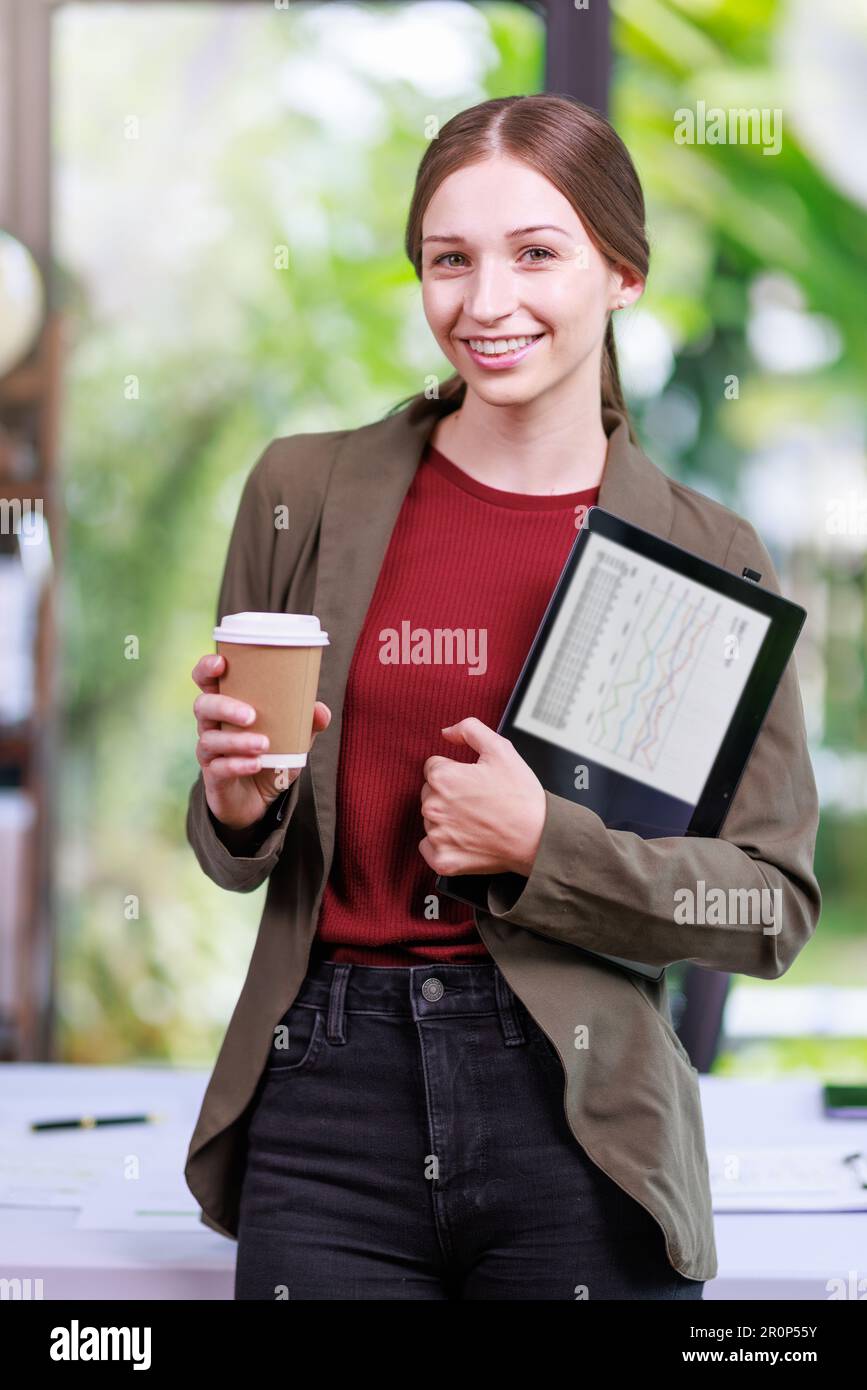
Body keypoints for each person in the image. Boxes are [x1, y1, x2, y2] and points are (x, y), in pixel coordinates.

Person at [186, 94, 821, 1300]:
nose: (485, 303)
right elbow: (239, 847)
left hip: (580, 1113)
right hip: (328, 1105)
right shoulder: (302, 493)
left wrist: (544, 847)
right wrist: (234, 803)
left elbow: (767, 903)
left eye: (536, 253)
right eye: (450, 260)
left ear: (623, 274)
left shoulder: (703, 557)